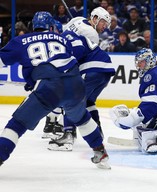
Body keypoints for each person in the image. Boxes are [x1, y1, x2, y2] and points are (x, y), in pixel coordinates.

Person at [0, 11, 110, 169]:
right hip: (75, 82)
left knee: (17, 124)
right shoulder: (63, 37)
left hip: (48, 85)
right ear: (52, 26)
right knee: (82, 118)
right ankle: (100, 152)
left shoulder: (21, 41)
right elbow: (86, 47)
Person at [46, 7, 115, 151]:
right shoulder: (89, 31)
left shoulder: (78, 22)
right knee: (88, 101)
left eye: (107, 24)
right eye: (103, 22)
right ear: (94, 18)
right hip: (105, 70)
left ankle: (68, 135)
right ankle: (97, 132)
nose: (105, 27)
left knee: (70, 98)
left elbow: (78, 52)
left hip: (92, 69)